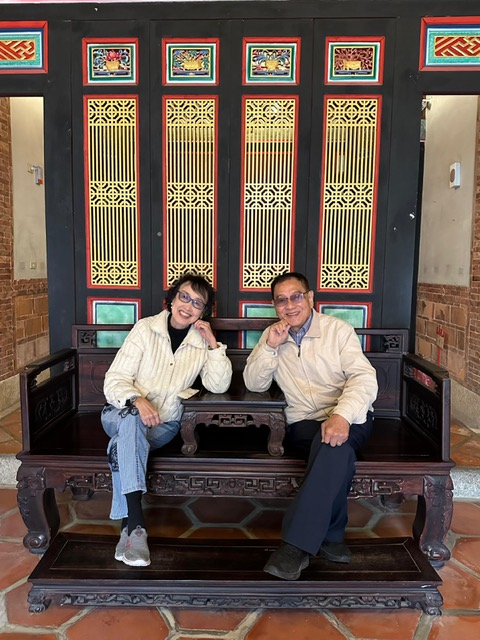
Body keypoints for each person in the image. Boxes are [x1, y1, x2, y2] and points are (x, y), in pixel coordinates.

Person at [243, 272, 378, 580]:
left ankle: (294, 546)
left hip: (350, 416)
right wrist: (270, 348)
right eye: (281, 300)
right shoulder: (273, 335)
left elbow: (363, 377)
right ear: (275, 306)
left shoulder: (337, 330)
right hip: (303, 422)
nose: (290, 305)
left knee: (335, 446)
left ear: (310, 298)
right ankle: (331, 536)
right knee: (334, 450)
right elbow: (254, 383)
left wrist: (342, 415)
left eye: (296, 297)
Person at [101, 273, 232, 567]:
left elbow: (218, 385)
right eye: (184, 297)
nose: (188, 306)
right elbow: (115, 379)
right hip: (118, 413)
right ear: (171, 300)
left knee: (122, 443)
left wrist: (213, 344)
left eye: (197, 303)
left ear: (203, 312)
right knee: (131, 421)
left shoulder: (200, 341)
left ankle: (129, 529)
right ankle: (137, 523)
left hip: (164, 425)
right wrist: (137, 400)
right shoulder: (145, 329)